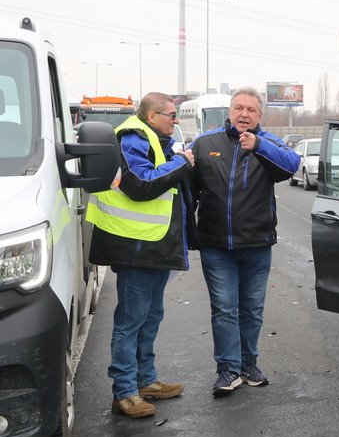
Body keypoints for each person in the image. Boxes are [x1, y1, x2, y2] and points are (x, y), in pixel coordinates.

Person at [87, 92, 197, 419]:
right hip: (136, 247)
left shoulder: (155, 139)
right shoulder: (132, 137)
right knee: (130, 321)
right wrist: (183, 162)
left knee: (151, 316)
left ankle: (146, 380)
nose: (175, 121)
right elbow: (139, 184)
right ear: (152, 117)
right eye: (171, 115)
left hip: (153, 246)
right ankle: (124, 391)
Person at [188, 87, 300, 397]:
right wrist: (188, 234)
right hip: (216, 245)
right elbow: (189, 190)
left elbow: (292, 163)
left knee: (252, 309)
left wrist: (259, 146)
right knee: (224, 309)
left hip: (257, 244)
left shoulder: (268, 144)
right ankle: (228, 369)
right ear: (229, 112)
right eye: (239, 108)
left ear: (260, 116)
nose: (244, 114)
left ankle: (249, 364)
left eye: (251, 110)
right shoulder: (205, 143)